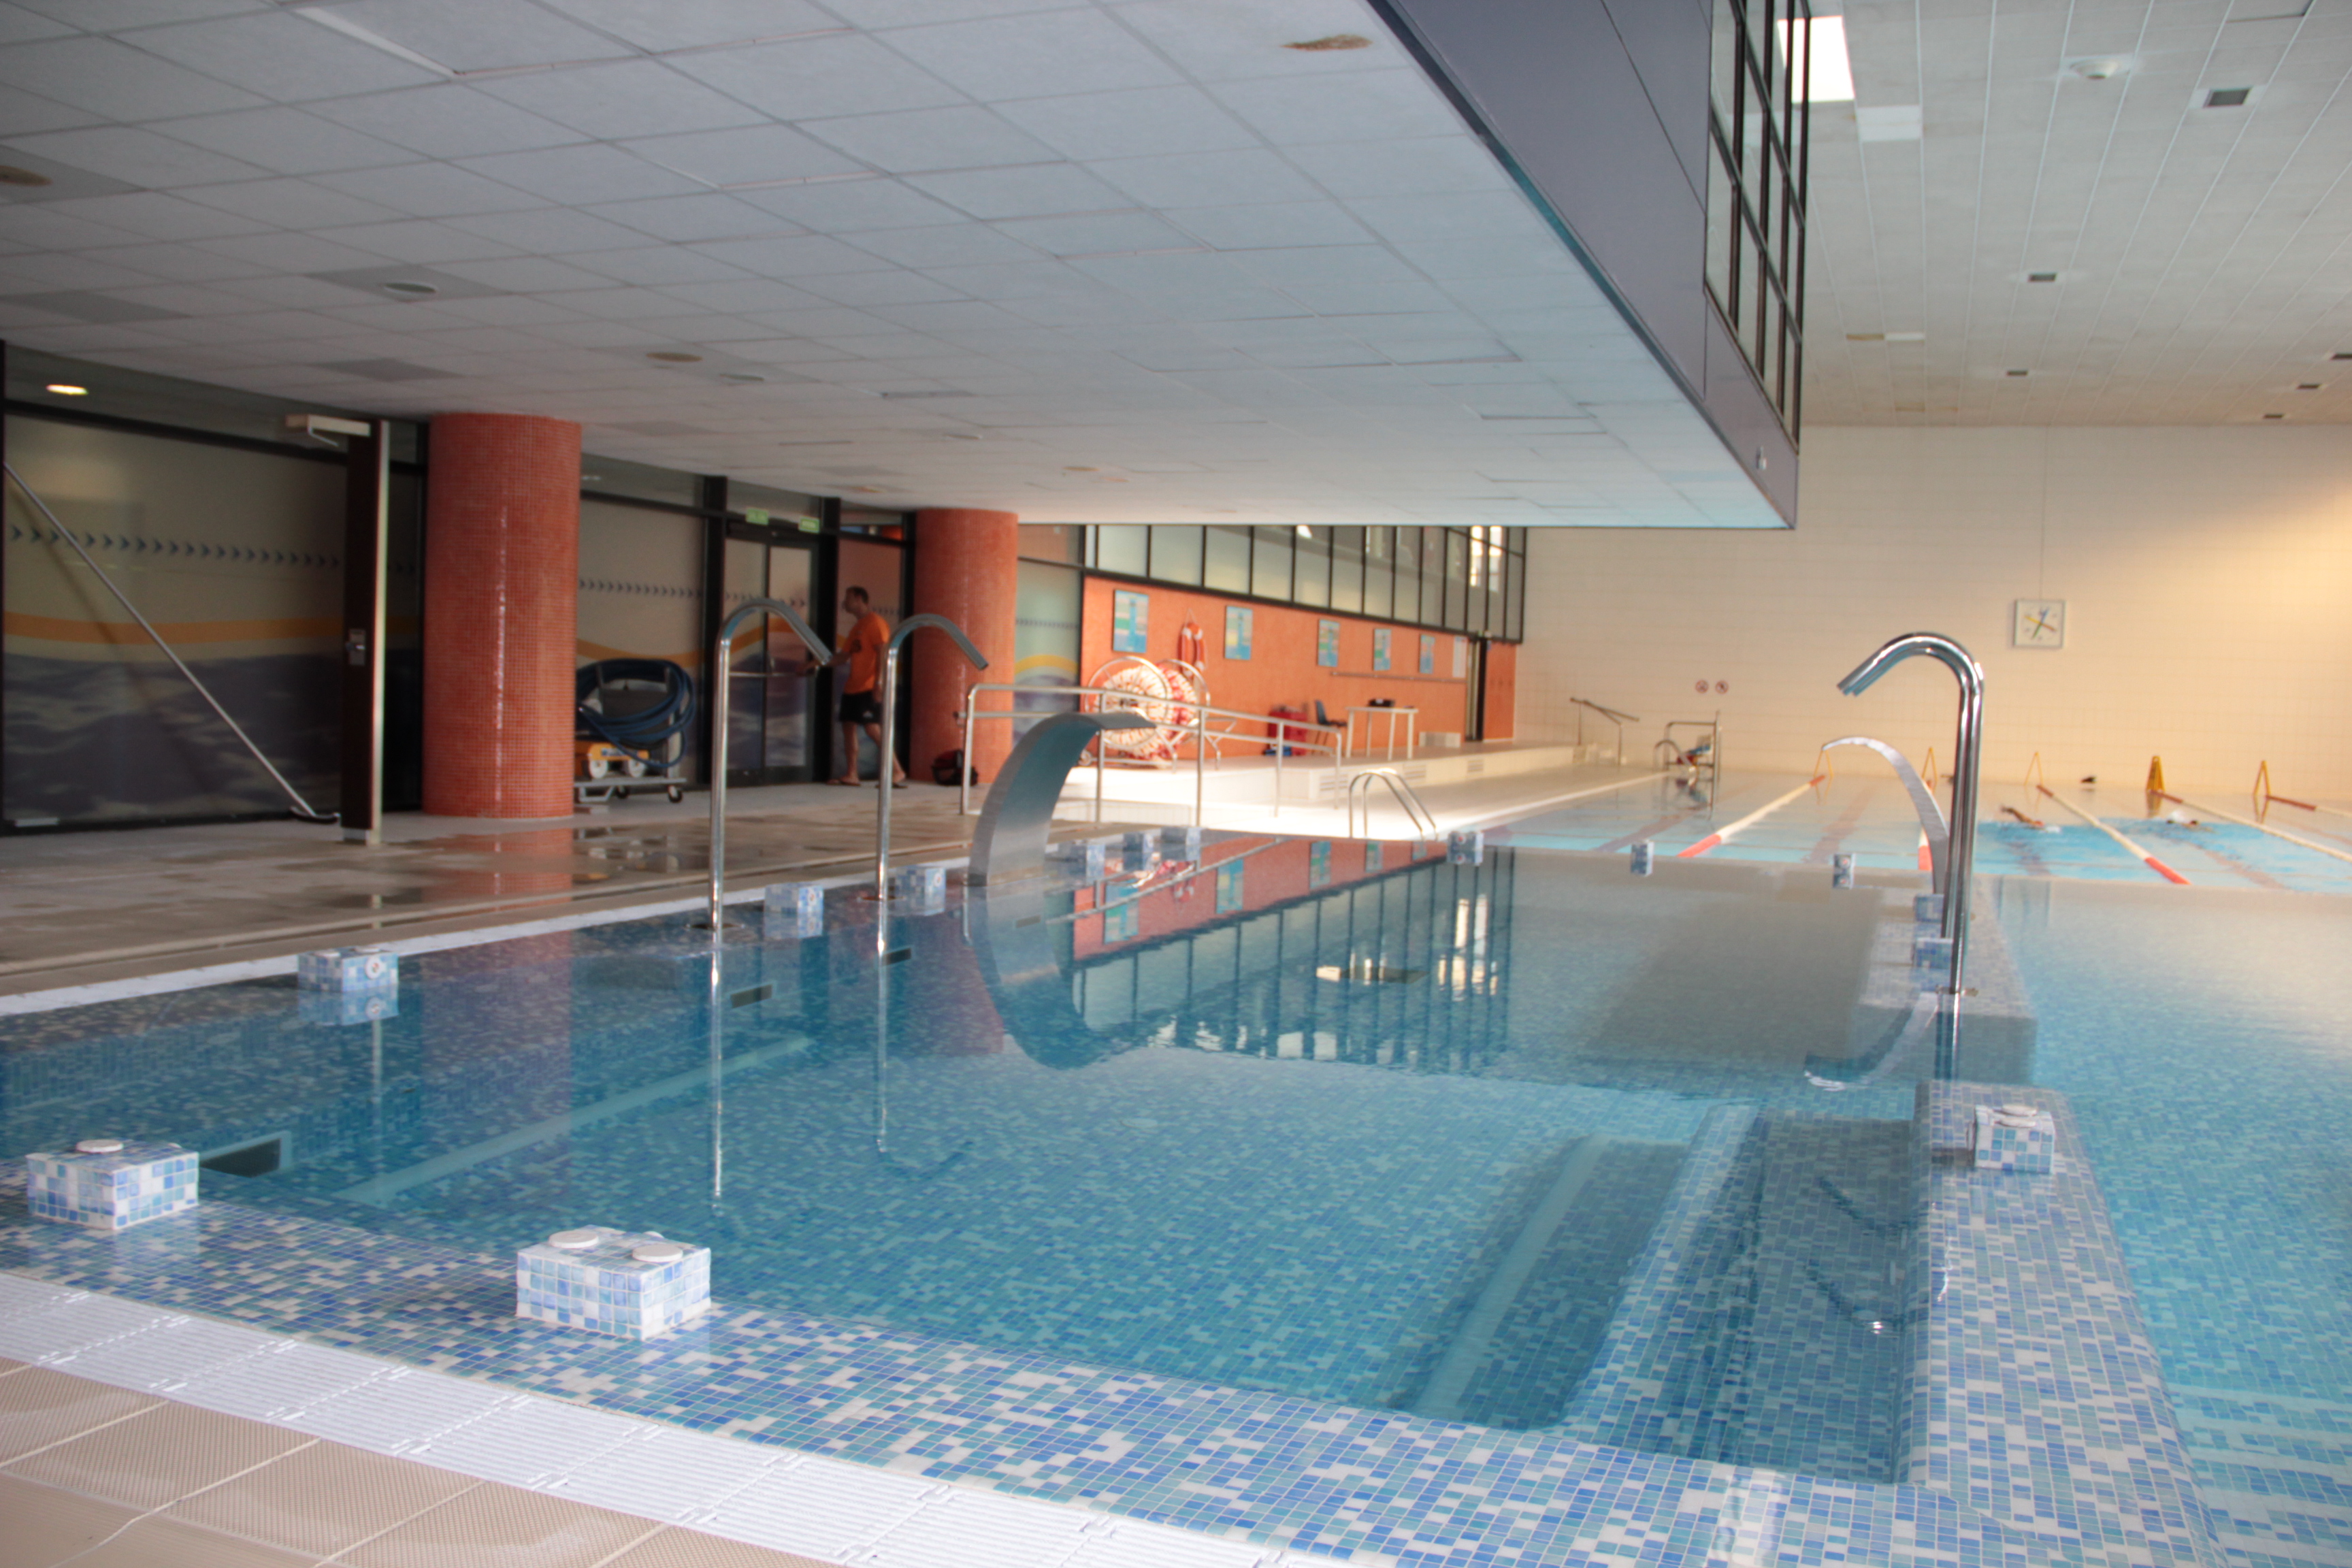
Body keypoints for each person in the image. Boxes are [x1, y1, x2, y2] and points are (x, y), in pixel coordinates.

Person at [825, 585, 905, 787]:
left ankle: (897, 770)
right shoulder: (857, 627)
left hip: (869, 686)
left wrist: (879, 682)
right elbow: (843, 657)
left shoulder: (875, 623)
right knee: (848, 727)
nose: (845, 602)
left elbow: (883, 653)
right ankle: (852, 774)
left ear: (859, 598)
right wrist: (816, 663)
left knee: (872, 729)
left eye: (848, 598)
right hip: (853, 686)